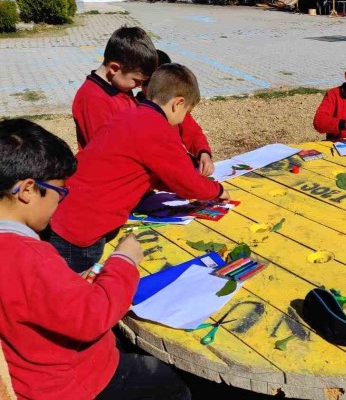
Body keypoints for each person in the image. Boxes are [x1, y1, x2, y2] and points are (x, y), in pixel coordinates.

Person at [0, 118, 190, 400]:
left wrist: (72, 283)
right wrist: (124, 260)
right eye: (59, 192)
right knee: (169, 385)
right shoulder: (30, 256)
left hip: (27, 375)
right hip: (73, 382)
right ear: (28, 190)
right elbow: (91, 318)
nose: (59, 202)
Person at [48, 64, 229, 273]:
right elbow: (187, 182)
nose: (184, 118)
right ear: (178, 103)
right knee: (73, 286)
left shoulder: (129, 115)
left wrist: (175, 185)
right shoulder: (158, 130)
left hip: (63, 212)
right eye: (187, 111)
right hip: (81, 232)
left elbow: (154, 173)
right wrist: (217, 190)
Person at [72, 27, 215, 176]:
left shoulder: (121, 89)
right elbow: (109, 154)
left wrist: (202, 152)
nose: (139, 86)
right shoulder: (93, 99)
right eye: (137, 81)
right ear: (114, 68)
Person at [138, 49, 215, 175]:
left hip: (177, 166)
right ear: (142, 82)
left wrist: (203, 153)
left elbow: (193, 133)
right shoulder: (135, 110)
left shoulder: (176, 108)